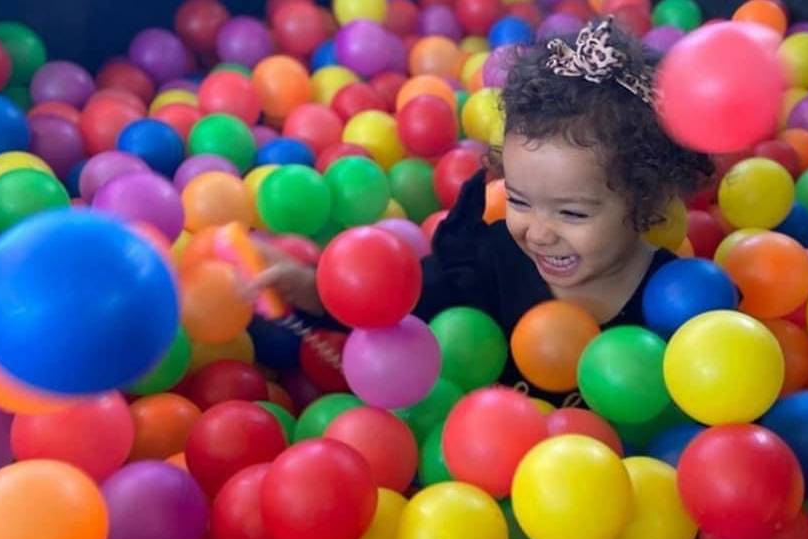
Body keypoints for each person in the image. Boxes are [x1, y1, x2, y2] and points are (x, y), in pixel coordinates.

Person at [251, 18, 713, 408]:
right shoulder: (487, 261)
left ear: (645, 202)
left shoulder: (679, 302)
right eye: (519, 199)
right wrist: (311, 291)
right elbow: (396, 312)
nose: (538, 232)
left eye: (572, 214)